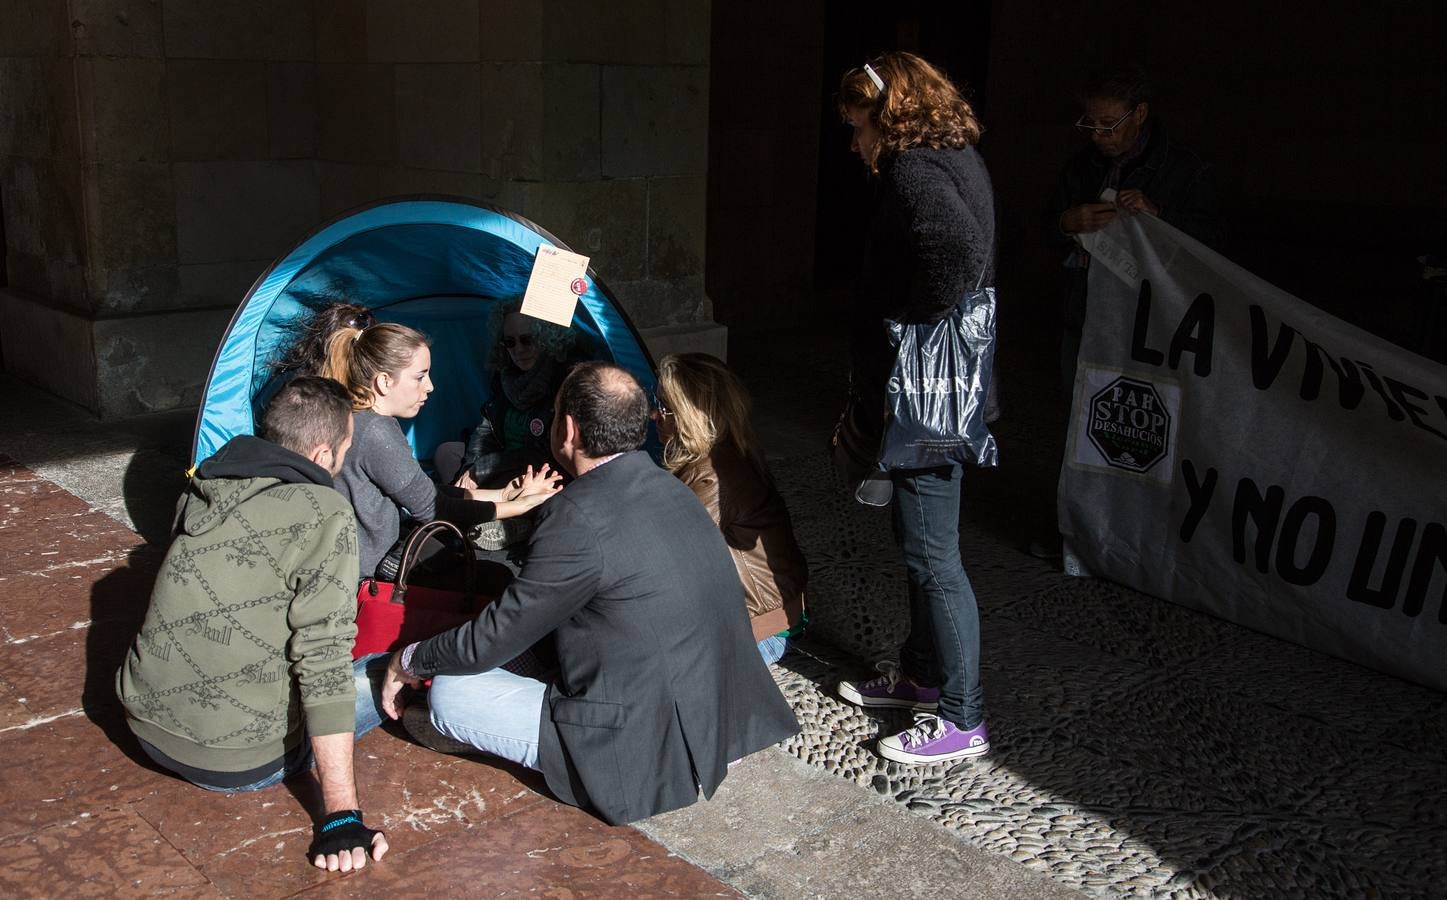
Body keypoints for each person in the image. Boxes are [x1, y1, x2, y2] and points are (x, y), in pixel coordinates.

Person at [376, 362, 801, 825]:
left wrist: (411, 658)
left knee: (452, 695)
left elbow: (496, 636)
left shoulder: (576, 515)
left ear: (569, 428)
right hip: (723, 732)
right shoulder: (673, 486)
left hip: (645, 754)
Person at [116, 376, 389, 873]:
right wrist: (341, 816)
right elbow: (323, 657)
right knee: (391, 670)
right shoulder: (325, 512)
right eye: (346, 449)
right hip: (233, 761)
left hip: (141, 722)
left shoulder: (205, 485)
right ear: (325, 453)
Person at [831, 52, 994, 765]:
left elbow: (954, 251)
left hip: (927, 396)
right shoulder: (952, 154)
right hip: (933, 391)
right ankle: (923, 679)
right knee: (918, 545)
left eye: (857, 125)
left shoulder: (913, 168)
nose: (854, 143)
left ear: (888, 114)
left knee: (933, 556)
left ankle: (961, 718)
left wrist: (912, 317)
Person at [320, 319, 560, 580]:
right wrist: (520, 505)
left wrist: (503, 495)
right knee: (497, 580)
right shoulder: (376, 431)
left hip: (373, 550)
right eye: (420, 377)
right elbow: (434, 509)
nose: (430, 386)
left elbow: (423, 489)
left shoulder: (360, 419)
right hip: (372, 568)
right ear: (384, 382)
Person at [1050, 63, 1222, 399]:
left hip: (1152, 322)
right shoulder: (1081, 165)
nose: (1098, 135)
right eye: (1090, 124)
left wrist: (1158, 214)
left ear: (1139, 114)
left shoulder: (1185, 169)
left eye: (1109, 125)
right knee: (1082, 402)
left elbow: (1214, 239)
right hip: (1085, 310)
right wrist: (1066, 223)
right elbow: (1047, 226)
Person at [653, 353, 807, 665]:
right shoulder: (722, 457)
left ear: (691, 414)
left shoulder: (715, 474)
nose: (654, 415)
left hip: (758, 634)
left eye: (664, 407)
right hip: (766, 621)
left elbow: (663, 554)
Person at [435, 301, 580, 488]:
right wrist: (470, 469)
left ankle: (470, 508)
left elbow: (548, 453)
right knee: (446, 453)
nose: (518, 350)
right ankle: (465, 505)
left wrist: (482, 469)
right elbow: (486, 430)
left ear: (547, 339)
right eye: (510, 342)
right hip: (502, 460)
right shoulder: (505, 377)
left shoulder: (563, 381)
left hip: (539, 469)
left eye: (527, 339)